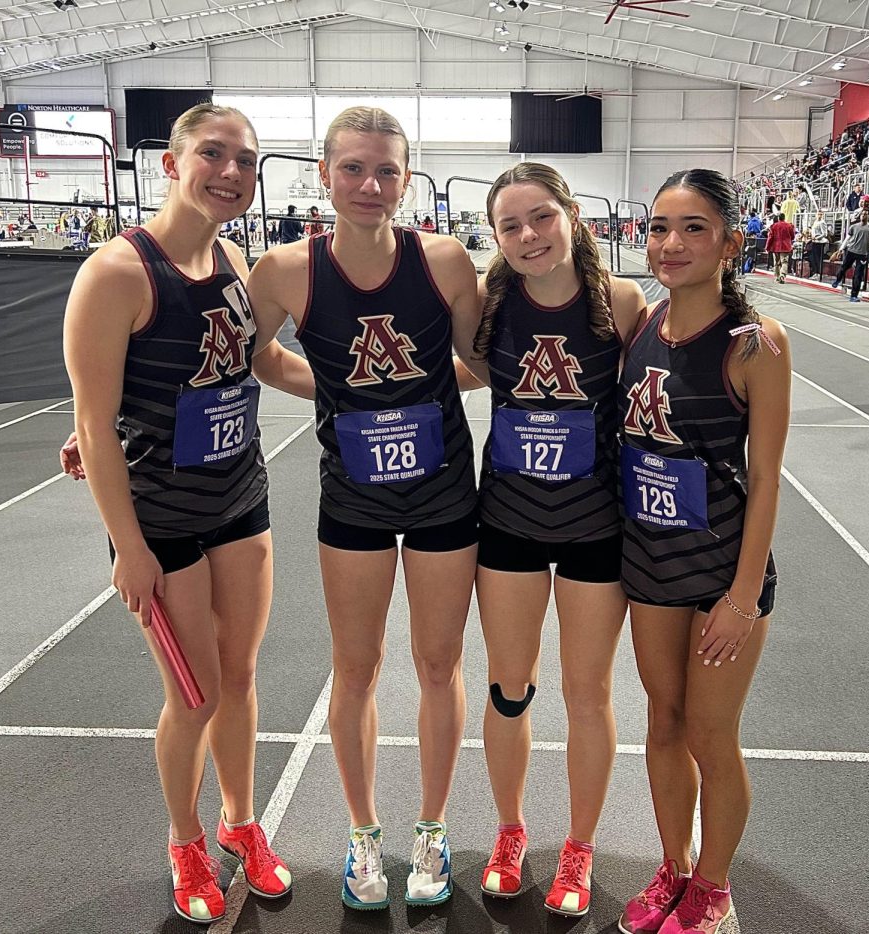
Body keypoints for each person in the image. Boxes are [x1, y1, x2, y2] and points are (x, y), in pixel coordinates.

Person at [61, 103, 312, 925]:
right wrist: (128, 549)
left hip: (241, 500)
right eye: (214, 154)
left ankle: (243, 825)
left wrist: (372, 386)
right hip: (161, 523)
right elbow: (93, 425)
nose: (232, 172)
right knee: (194, 693)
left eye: (246, 159)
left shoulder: (234, 259)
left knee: (238, 678)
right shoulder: (117, 273)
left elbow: (264, 360)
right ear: (172, 163)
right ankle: (185, 839)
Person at [246, 106, 482, 912]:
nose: (370, 185)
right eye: (353, 169)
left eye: (386, 171)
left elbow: (494, 357)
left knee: (439, 665)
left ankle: (433, 826)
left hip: (446, 488)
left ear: (407, 178)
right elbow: (246, 359)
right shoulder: (283, 271)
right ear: (324, 174)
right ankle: (361, 832)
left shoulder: (446, 262)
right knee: (355, 668)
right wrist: (337, 390)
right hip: (353, 494)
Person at [463, 163, 645, 918]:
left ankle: (578, 846)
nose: (529, 236)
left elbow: (665, 390)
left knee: (586, 694)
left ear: (572, 214)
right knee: (509, 688)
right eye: (510, 226)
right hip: (507, 522)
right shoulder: (488, 305)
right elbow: (440, 373)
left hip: (595, 530)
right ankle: (510, 833)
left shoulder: (622, 303)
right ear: (496, 239)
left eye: (541, 217)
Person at [617, 168, 790, 934]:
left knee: (710, 736)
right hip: (650, 564)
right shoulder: (640, 326)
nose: (671, 243)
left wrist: (743, 597)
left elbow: (768, 477)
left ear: (729, 240)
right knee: (662, 722)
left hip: (721, 571)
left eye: (692, 227)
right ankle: (673, 867)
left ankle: (714, 887)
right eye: (659, 227)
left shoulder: (756, 344)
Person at [831, 209, 869, 302]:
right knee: (844, 268)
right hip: (851, 251)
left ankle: (854, 295)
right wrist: (841, 249)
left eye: (865, 214)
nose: (863, 215)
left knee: (858, 275)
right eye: (862, 214)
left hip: (862, 254)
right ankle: (838, 280)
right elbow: (847, 238)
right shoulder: (853, 227)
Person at [765, 212, 795, 284]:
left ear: (778, 218)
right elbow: (793, 236)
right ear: (784, 218)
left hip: (775, 247)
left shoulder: (774, 226)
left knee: (776, 263)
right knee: (784, 262)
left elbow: (770, 237)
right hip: (785, 247)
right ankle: (782, 275)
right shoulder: (789, 226)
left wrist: (767, 247)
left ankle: (777, 277)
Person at [806, 211, 829, 279]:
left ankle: (818, 273)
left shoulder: (822, 223)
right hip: (814, 241)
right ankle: (816, 272)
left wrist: (816, 237)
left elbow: (825, 234)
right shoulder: (815, 222)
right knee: (814, 258)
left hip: (820, 242)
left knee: (818, 258)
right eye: (818, 214)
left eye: (821, 214)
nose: (819, 216)